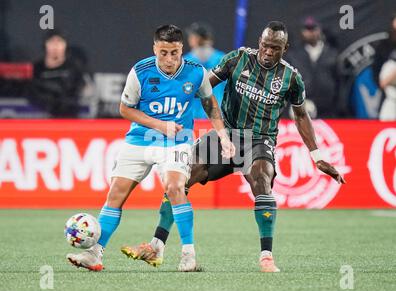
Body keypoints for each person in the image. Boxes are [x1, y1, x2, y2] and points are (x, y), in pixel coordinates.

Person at [124, 21, 346, 273]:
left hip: (259, 140)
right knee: (180, 179)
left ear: (285, 48)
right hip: (224, 135)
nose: (268, 52)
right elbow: (202, 88)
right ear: (259, 42)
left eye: (275, 47)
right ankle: (157, 245)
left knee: (262, 179)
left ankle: (266, 257)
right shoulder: (238, 59)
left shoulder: (291, 77)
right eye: (264, 45)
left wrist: (316, 156)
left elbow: (301, 116)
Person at [66, 25, 235, 272]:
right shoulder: (141, 71)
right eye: (163, 52)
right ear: (155, 48)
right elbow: (125, 109)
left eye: (174, 53)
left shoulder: (196, 72)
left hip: (177, 142)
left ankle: (189, 255)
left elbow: (210, 104)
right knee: (115, 195)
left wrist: (223, 136)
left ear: (182, 49)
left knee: (176, 187)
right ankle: (95, 254)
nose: (169, 59)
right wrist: (159, 124)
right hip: (139, 140)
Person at [286, 17, 339, 119]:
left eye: (313, 28)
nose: (310, 32)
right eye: (307, 29)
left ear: (319, 29)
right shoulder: (294, 55)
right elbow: (286, 81)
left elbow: (339, 82)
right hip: (300, 106)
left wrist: (338, 106)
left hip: (327, 109)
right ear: (302, 31)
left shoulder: (332, 53)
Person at [29, 29, 84, 118]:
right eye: (51, 42)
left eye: (59, 42)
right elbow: (32, 92)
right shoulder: (37, 68)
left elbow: (79, 89)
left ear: (65, 45)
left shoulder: (73, 67)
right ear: (45, 45)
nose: (55, 46)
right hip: (41, 115)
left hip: (68, 116)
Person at [184, 22, 225, 119]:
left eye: (191, 36)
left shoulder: (185, 62)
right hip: (217, 117)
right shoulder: (223, 59)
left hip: (193, 118)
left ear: (196, 38)